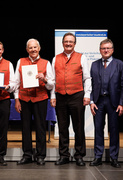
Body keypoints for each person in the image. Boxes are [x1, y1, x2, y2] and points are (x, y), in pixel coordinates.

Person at [50, 32, 91, 166]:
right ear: (62, 43)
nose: (68, 43)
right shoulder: (56, 58)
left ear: (74, 43)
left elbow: (87, 78)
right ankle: (64, 155)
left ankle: (79, 155)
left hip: (77, 96)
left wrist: (87, 95)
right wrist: (53, 96)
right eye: (66, 41)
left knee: (78, 127)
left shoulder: (81, 57)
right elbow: (53, 80)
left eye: (71, 42)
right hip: (60, 96)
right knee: (62, 127)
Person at [14, 38, 55, 165]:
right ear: (27, 49)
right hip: (24, 99)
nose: (33, 50)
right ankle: (27, 155)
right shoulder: (21, 61)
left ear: (39, 48)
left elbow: (52, 84)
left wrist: (45, 79)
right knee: (25, 128)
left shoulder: (46, 63)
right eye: (30, 48)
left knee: (40, 127)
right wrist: (16, 99)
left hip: (40, 99)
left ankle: (40, 155)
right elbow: (16, 82)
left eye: (35, 47)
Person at [89, 39, 123, 168]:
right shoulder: (94, 64)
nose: (106, 50)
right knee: (98, 129)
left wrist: (121, 103)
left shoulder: (120, 64)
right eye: (103, 48)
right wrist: (92, 101)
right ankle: (98, 156)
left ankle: (114, 157)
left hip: (113, 101)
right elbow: (91, 85)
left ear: (112, 50)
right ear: (100, 50)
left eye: (108, 48)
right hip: (98, 101)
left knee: (114, 130)